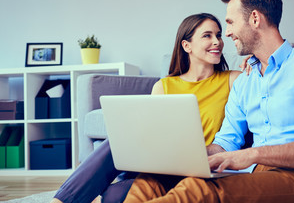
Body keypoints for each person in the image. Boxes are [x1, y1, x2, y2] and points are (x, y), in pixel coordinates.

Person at [123, 0, 294, 203]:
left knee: (199, 191)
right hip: (256, 174)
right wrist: (182, 157)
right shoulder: (245, 81)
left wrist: (251, 154)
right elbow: (226, 142)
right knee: (152, 180)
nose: (227, 34)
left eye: (230, 23)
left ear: (255, 18)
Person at [51, 13, 244, 203]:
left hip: (203, 167)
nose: (217, 41)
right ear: (187, 46)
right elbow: (152, 136)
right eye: (207, 36)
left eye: (218, 35)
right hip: (164, 166)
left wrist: (252, 60)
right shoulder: (164, 86)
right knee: (120, 140)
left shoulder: (233, 79)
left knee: (113, 196)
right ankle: (60, 201)